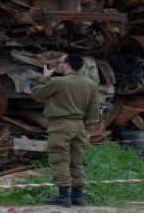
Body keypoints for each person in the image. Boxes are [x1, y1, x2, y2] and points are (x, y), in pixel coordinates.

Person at [31, 53, 100, 208]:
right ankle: (78, 197)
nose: (58, 65)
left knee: (59, 158)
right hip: (80, 126)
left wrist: (45, 77)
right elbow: (94, 111)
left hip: (61, 125)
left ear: (67, 64)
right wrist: (86, 127)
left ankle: (64, 197)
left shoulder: (58, 82)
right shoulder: (90, 85)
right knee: (77, 161)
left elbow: (37, 93)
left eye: (60, 62)